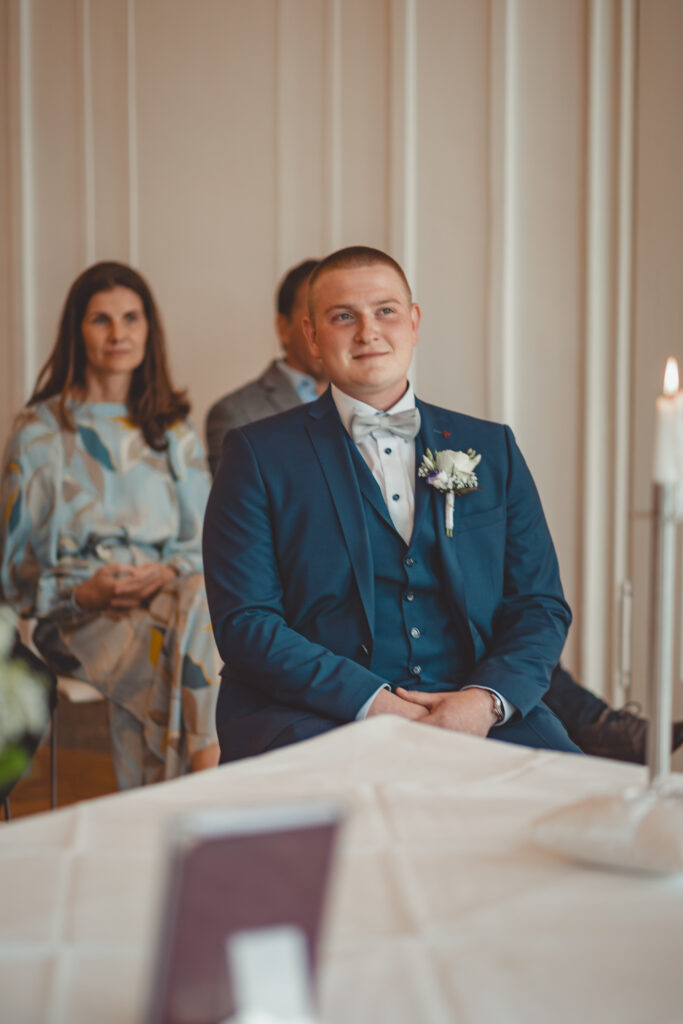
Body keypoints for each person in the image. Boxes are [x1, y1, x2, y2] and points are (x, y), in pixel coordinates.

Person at [204, 245, 583, 761]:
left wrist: (481, 703)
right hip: (310, 714)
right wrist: (382, 708)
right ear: (312, 336)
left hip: (472, 708)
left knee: (578, 809)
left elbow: (539, 604)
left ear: (414, 322)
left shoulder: (492, 448)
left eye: (385, 311)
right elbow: (246, 622)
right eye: (344, 317)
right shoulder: (255, 454)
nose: (368, 332)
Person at [0, 261, 220, 789]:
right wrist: (86, 595)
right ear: (77, 330)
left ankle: (187, 787)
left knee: (203, 600)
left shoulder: (171, 429)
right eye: (101, 319)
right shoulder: (39, 433)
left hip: (174, 601)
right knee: (193, 649)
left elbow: (208, 543)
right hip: (79, 618)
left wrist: (166, 572)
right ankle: (205, 779)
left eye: (131, 318)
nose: (119, 333)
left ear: (150, 330)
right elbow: (12, 576)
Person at [205, 259, 326, 475]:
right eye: (317, 314)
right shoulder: (235, 414)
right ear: (283, 328)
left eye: (341, 316)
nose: (328, 330)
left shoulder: (369, 402)